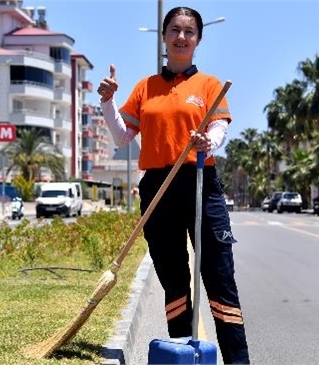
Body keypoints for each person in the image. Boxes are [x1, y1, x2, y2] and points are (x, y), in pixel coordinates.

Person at [97, 6, 250, 364]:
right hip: (158, 186)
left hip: (199, 180)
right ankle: (181, 354)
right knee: (174, 280)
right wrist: (107, 102)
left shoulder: (209, 85)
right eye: (175, 30)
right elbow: (122, 137)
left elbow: (219, 127)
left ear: (198, 40)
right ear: (164, 37)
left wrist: (207, 142)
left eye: (189, 32)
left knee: (218, 276)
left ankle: (238, 360)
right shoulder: (145, 87)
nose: (181, 37)